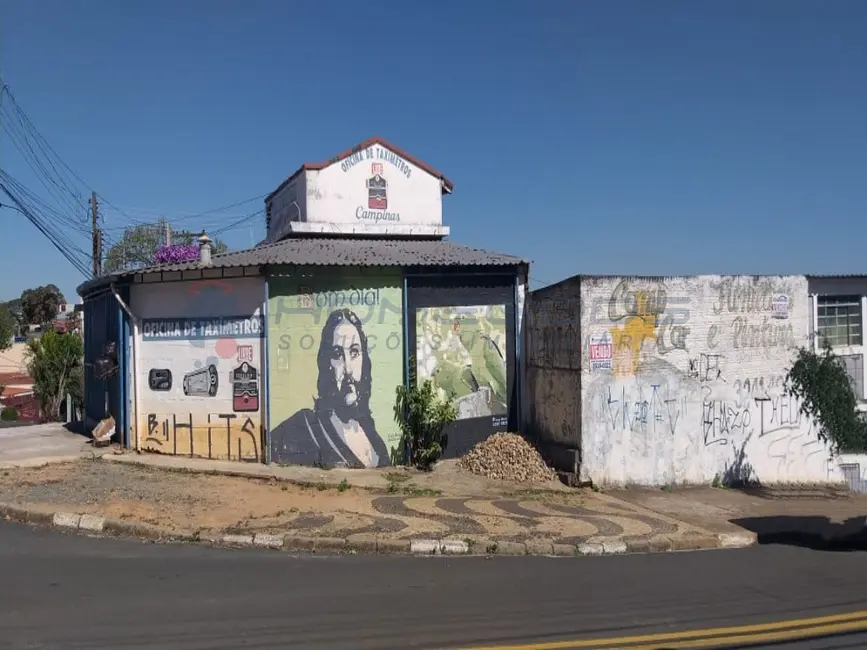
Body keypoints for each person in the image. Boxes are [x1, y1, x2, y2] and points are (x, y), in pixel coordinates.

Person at [270, 308, 390, 468]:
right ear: (326, 364)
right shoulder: (304, 426)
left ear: (364, 360)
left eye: (354, 352)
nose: (348, 368)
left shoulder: (370, 432)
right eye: (337, 354)